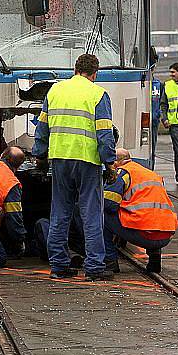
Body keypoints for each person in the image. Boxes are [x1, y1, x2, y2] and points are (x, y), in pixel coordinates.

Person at [33, 53, 117, 281]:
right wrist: (109, 163)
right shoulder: (98, 94)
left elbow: (42, 128)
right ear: (95, 73)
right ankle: (94, 268)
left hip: (60, 159)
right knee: (91, 214)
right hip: (88, 161)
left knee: (60, 212)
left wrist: (40, 156)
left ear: (75, 69)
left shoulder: (55, 91)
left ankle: (59, 266)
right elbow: (104, 134)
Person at [103, 148, 178, 273]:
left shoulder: (123, 173)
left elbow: (109, 204)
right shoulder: (151, 174)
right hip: (166, 233)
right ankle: (154, 262)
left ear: (115, 162)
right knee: (151, 218)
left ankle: (110, 262)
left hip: (144, 234)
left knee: (102, 215)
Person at [151, 67, 162, 169]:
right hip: (141, 120)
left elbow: (161, 103)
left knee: (152, 148)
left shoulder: (158, 84)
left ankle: (151, 169)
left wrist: (159, 114)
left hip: (154, 121)